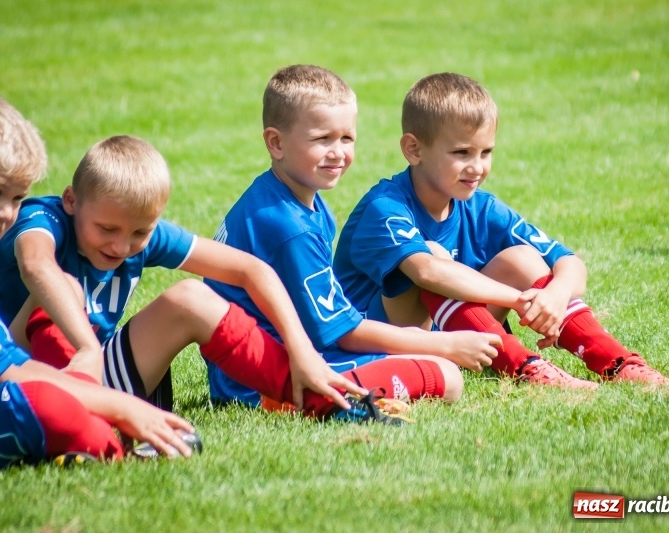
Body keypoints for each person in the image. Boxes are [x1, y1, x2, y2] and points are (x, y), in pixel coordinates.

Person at [0, 134, 372, 416]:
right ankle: (78, 422)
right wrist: (87, 348)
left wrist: (300, 349)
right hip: (6, 380)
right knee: (63, 285)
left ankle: (317, 398)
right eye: (107, 230)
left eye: (139, 233)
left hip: (90, 375)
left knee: (192, 298)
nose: (121, 246)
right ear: (71, 201)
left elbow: (250, 269)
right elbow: (36, 266)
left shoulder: (140, 232)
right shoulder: (42, 218)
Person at [333, 72, 669, 388]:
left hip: (460, 337)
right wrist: (520, 300)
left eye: (486, 152)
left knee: (523, 258)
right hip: (387, 344)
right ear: (414, 149)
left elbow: (570, 264)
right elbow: (428, 271)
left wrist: (553, 296)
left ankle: (619, 364)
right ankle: (527, 368)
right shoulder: (385, 207)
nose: (477, 166)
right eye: (462, 152)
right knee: (431, 255)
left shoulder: (482, 207)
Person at [206, 64, 505, 409]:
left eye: (346, 138)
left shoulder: (283, 198)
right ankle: (313, 403)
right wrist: (442, 345)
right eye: (322, 139)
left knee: (423, 359)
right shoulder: (290, 227)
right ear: (276, 143)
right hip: (262, 383)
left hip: (256, 367)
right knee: (446, 376)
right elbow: (340, 333)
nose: (338, 152)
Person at [0, 89, 198, 468]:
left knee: (54, 399)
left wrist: (103, 399)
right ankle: (113, 445)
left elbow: (11, 362)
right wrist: (120, 406)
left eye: (17, 198)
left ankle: (99, 436)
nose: (6, 213)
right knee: (45, 404)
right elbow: (8, 376)